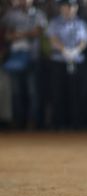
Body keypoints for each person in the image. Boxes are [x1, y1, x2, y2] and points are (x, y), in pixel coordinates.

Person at [1, 0, 47, 129]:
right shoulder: (10, 15)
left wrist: (18, 34)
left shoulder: (39, 14)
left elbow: (37, 32)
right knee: (16, 92)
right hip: (15, 59)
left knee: (33, 92)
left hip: (33, 58)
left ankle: (33, 123)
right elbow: (5, 34)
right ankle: (18, 122)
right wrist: (18, 35)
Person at [46, 0, 87, 129]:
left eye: (72, 6)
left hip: (76, 61)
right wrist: (64, 49)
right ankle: (59, 123)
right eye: (67, 6)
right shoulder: (55, 22)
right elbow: (52, 38)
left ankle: (75, 123)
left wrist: (75, 50)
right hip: (59, 61)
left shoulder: (81, 23)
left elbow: (84, 40)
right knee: (58, 93)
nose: (70, 9)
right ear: (61, 8)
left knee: (76, 93)